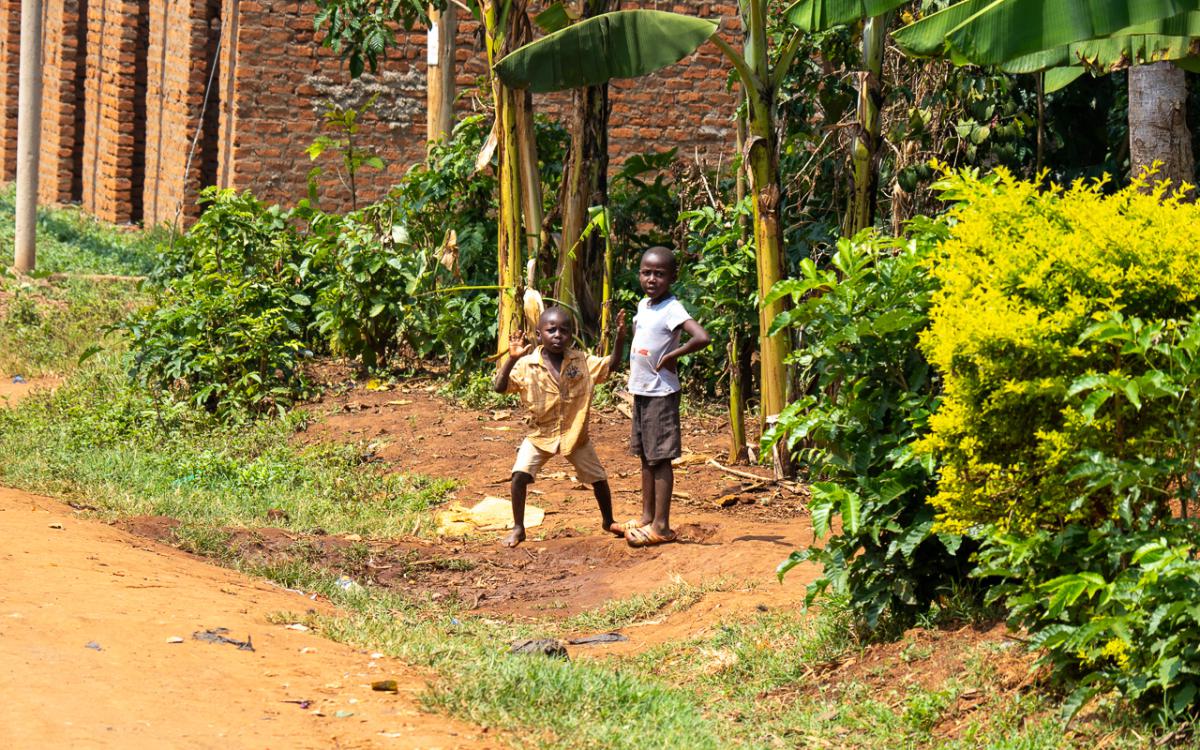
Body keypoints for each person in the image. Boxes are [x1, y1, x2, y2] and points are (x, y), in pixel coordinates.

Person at [493, 306, 627, 547]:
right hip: (540, 434)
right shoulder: (526, 365)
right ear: (539, 334)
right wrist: (511, 359)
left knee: (598, 479)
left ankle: (608, 521)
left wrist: (620, 337)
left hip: (575, 435)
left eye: (564, 330)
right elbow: (499, 387)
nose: (558, 335)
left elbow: (611, 365)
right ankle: (518, 528)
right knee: (519, 475)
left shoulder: (582, 361)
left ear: (571, 334)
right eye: (551, 330)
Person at [624, 246, 711, 547]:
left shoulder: (673, 308)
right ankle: (647, 517)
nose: (651, 279)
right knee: (646, 456)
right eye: (646, 273)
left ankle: (661, 526)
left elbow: (702, 337)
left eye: (659, 274)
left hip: (661, 392)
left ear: (673, 276)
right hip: (642, 390)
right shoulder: (644, 305)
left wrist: (674, 354)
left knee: (660, 459)